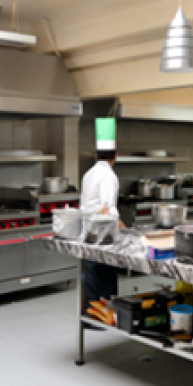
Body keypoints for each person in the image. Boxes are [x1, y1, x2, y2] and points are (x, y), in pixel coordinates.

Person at [80, 118, 125, 309]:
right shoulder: (108, 175)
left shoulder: (89, 173)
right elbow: (108, 207)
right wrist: (122, 225)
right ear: (115, 157)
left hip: (88, 229)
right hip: (102, 230)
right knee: (105, 270)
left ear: (96, 156)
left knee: (91, 270)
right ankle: (105, 311)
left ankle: (91, 311)